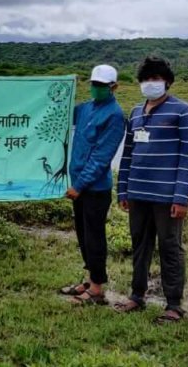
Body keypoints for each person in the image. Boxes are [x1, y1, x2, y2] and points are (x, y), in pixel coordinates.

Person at [114, 56, 188, 324]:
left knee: (170, 247)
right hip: (137, 194)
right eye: (146, 79)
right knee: (140, 245)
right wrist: (123, 190)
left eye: (156, 79)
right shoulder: (136, 112)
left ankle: (173, 305)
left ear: (167, 82)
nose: (150, 83)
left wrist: (181, 197)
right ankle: (136, 296)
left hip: (167, 198)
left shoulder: (183, 111)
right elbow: (128, 154)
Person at [59, 65, 125, 304]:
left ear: (113, 87)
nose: (96, 89)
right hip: (78, 185)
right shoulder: (86, 108)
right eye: (93, 84)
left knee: (95, 237)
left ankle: (97, 289)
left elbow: (101, 157)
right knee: (83, 235)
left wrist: (80, 185)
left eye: (101, 85)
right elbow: (61, 113)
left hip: (95, 189)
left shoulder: (115, 115)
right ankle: (88, 280)